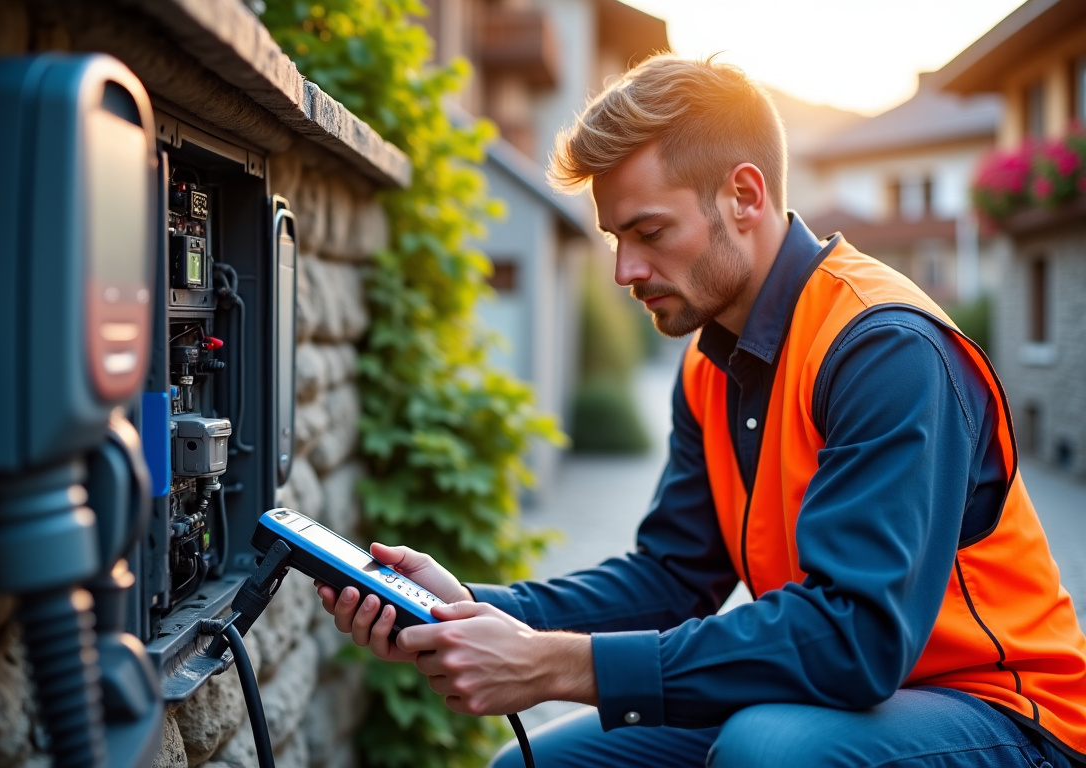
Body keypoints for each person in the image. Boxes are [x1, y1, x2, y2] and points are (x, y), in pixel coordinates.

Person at [316, 55, 1086, 767]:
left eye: (650, 232)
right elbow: (674, 576)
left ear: (744, 197)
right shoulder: (711, 360)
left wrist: (555, 666)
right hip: (841, 699)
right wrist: (479, 609)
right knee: (531, 764)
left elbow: (856, 639)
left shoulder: (884, 349)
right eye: (616, 237)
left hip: (1006, 712)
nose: (625, 270)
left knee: (766, 749)